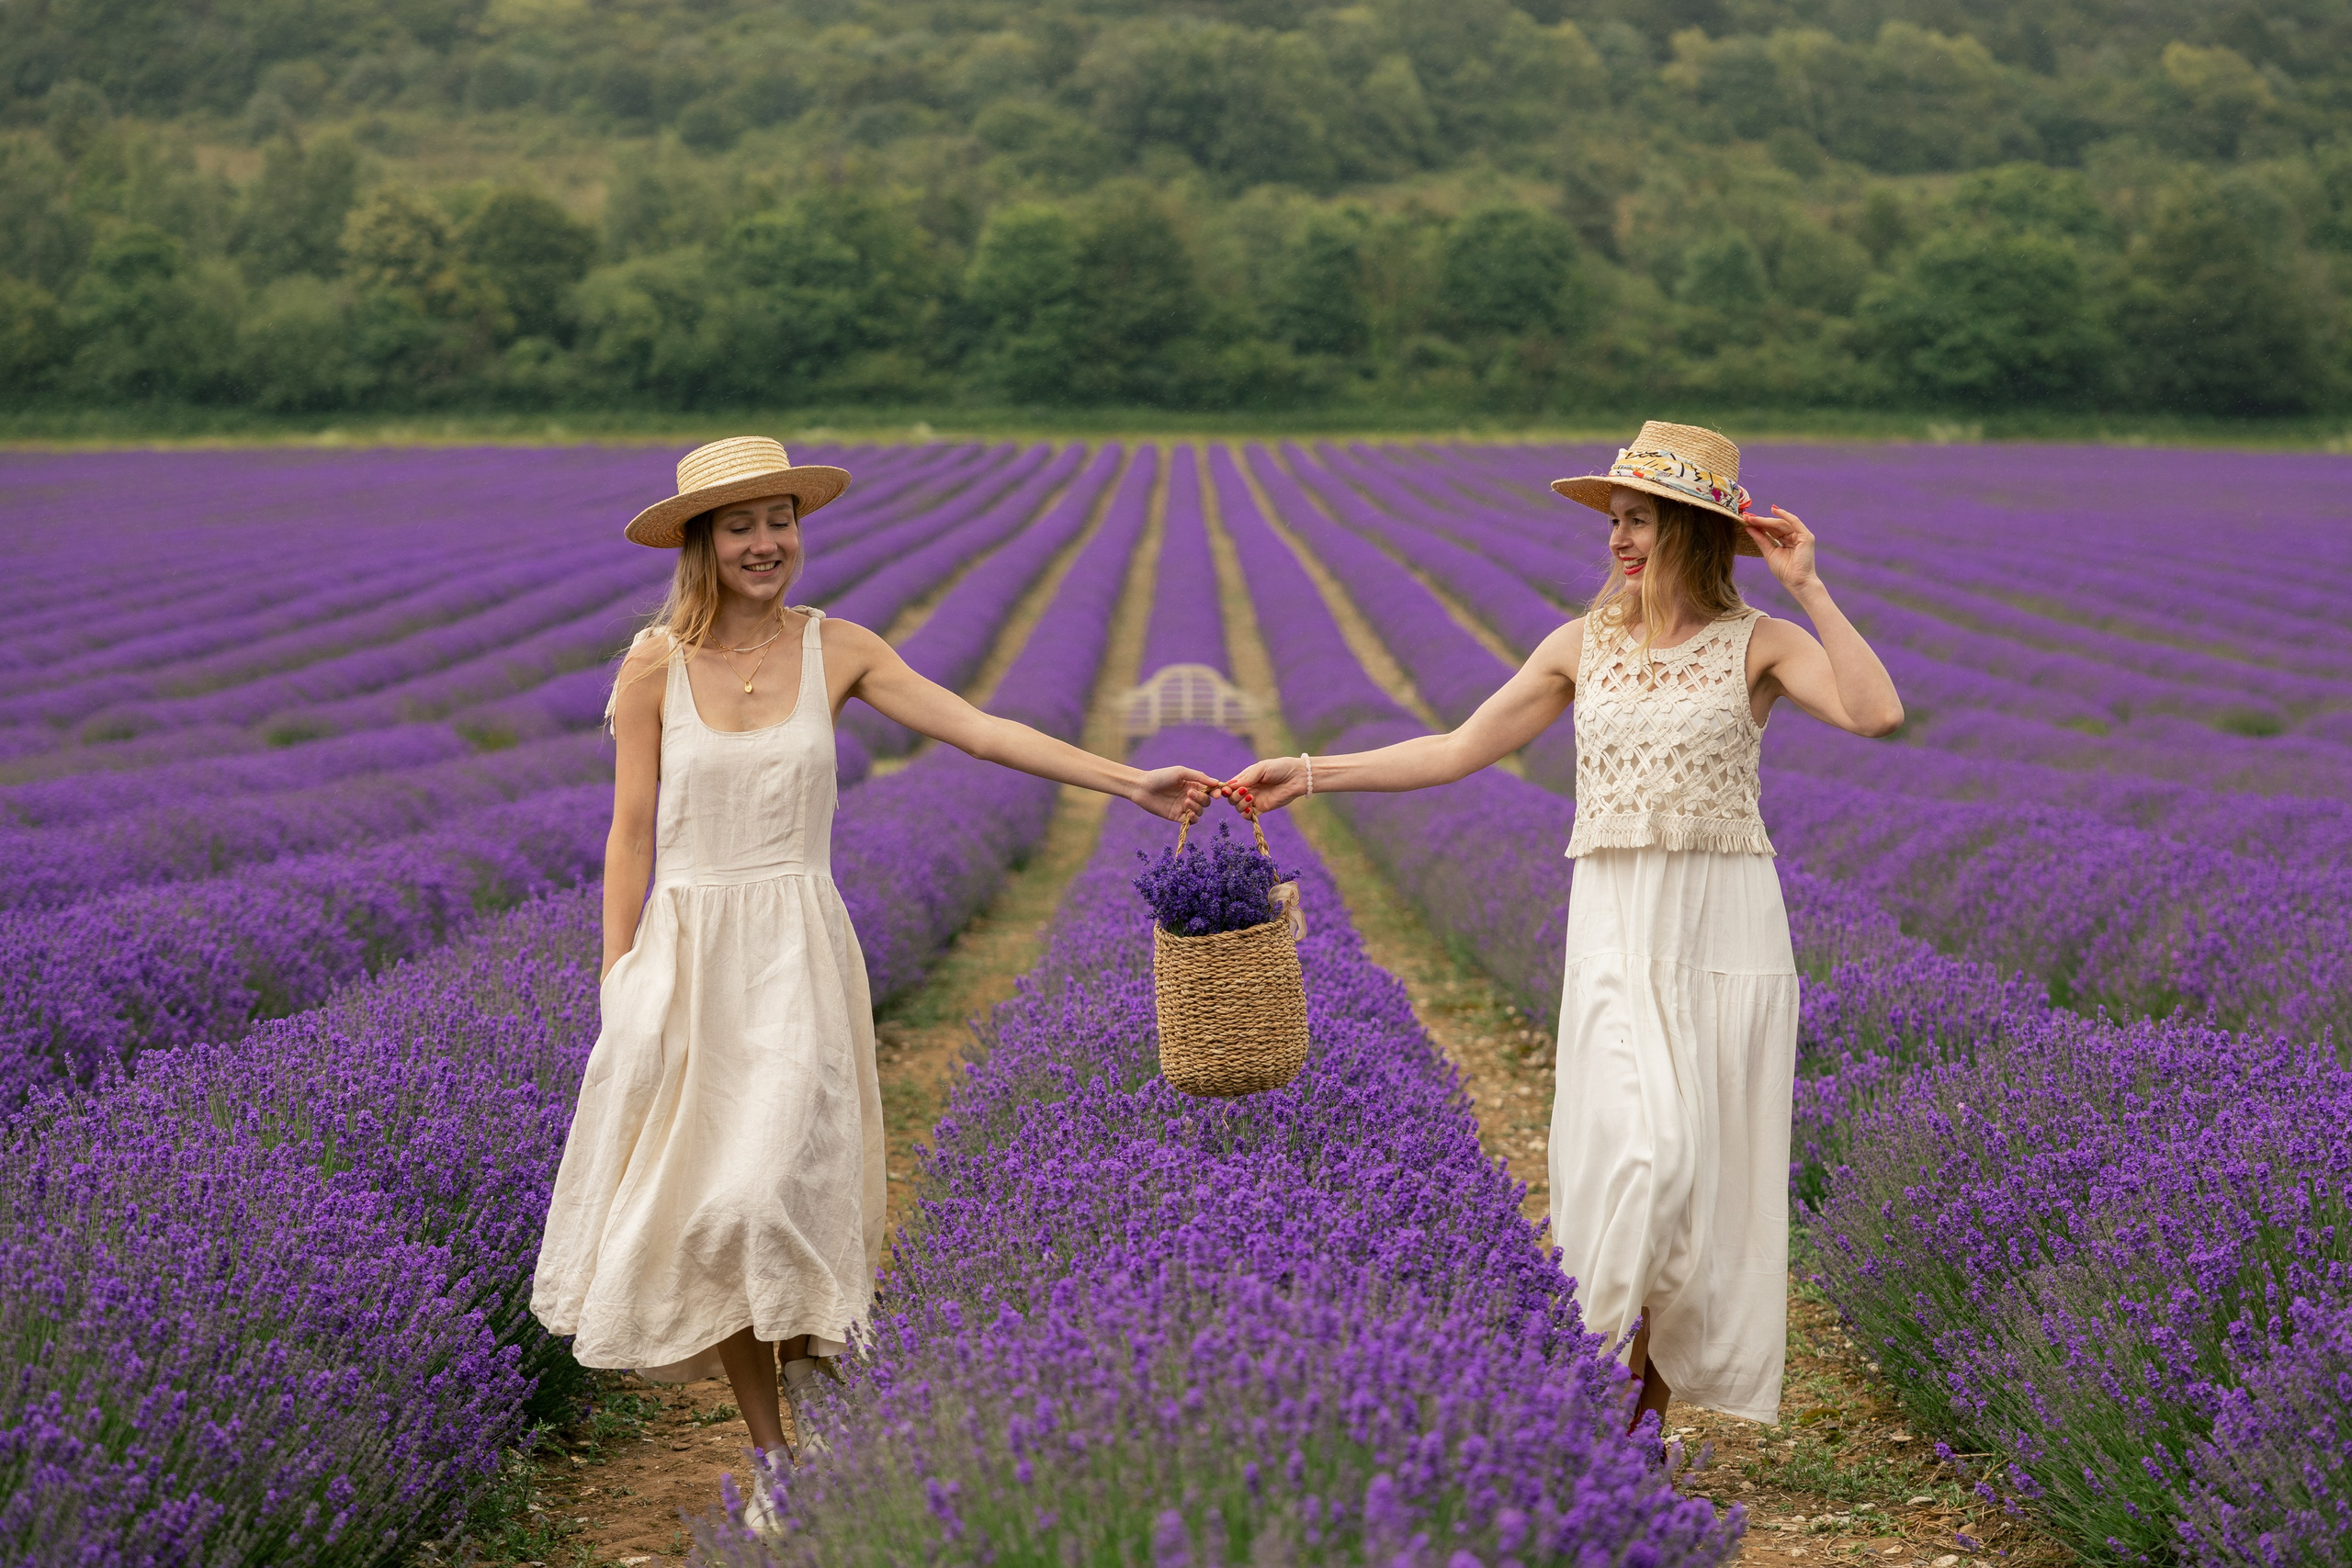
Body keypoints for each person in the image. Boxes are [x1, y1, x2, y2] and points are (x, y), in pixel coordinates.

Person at [532, 438, 1216, 1485]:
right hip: (685, 957)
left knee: (769, 1190)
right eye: (741, 526)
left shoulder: (837, 648)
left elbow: (980, 731)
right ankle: (775, 1461)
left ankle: (816, 1361)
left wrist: (1129, 781)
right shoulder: (653, 665)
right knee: (715, 1210)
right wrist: (616, 975)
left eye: (780, 521)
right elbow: (628, 834)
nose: (766, 544)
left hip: (796, 950)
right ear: (701, 544)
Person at [1226, 422, 1901, 1429]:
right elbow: (1458, 749)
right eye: (1616, 522)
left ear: (1694, 532)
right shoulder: (1577, 645)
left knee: (1700, 1184)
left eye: (1639, 522)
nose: (1619, 541)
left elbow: (1874, 713)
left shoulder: (1761, 643)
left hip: (1724, 932)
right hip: (1617, 927)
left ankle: (1640, 1429)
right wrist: (1315, 773)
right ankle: (1583, 1396)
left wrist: (1806, 583)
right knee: (1647, 1158)